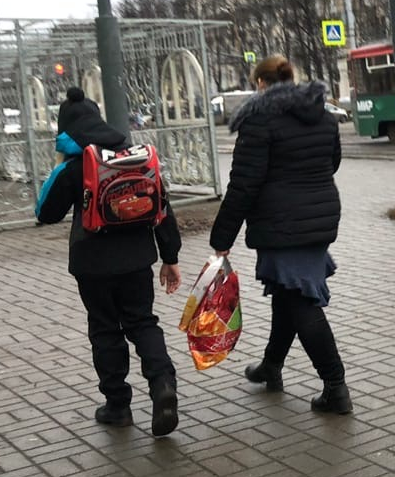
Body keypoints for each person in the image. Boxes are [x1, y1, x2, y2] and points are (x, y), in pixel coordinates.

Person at [35, 87, 183, 436]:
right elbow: (162, 206)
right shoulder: (134, 157)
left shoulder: (75, 166)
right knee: (143, 323)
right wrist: (170, 257)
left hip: (93, 264)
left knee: (105, 330)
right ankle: (163, 384)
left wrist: (57, 175)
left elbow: (46, 213)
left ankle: (118, 406)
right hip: (137, 260)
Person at [209, 55, 352, 414]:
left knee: (302, 302)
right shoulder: (321, 114)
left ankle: (336, 386)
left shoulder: (259, 120)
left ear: (260, 83)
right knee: (288, 293)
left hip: (282, 222)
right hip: (319, 216)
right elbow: (331, 162)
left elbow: (243, 185)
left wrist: (221, 239)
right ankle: (272, 365)